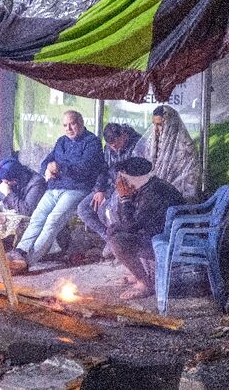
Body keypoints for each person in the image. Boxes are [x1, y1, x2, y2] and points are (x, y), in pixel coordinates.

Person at [7, 110, 105, 274]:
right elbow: (47, 160)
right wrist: (47, 168)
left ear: (81, 123)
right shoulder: (61, 141)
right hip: (54, 187)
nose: (68, 128)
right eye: (65, 125)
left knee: (53, 221)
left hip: (76, 189)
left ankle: (28, 261)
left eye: (72, 124)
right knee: (37, 217)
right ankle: (20, 251)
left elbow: (85, 168)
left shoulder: (92, 142)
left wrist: (59, 167)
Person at [106, 156, 183, 300]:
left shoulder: (153, 193)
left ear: (133, 179)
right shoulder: (148, 186)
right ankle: (139, 274)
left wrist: (125, 199)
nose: (121, 183)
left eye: (123, 179)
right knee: (115, 231)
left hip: (167, 242)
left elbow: (131, 226)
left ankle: (145, 283)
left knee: (119, 242)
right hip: (158, 236)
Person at [77, 122, 142, 256]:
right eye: (111, 145)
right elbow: (103, 169)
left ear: (123, 135)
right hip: (109, 186)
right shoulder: (108, 148)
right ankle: (110, 239)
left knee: (105, 209)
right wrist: (99, 190)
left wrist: (113, 192)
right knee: (83, 208)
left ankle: (122, 243)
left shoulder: (138, 145)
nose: (114, 148)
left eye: (116, 144)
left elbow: (137, 174)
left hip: (128, 187)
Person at [135, 105, 200, 203]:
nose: (156, 129)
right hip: (153, 194)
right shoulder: (152, 142)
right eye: (154, 124)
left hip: (177, 198)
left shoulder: (185, 146)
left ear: (170, 123)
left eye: (160, 125)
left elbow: (189, 180)